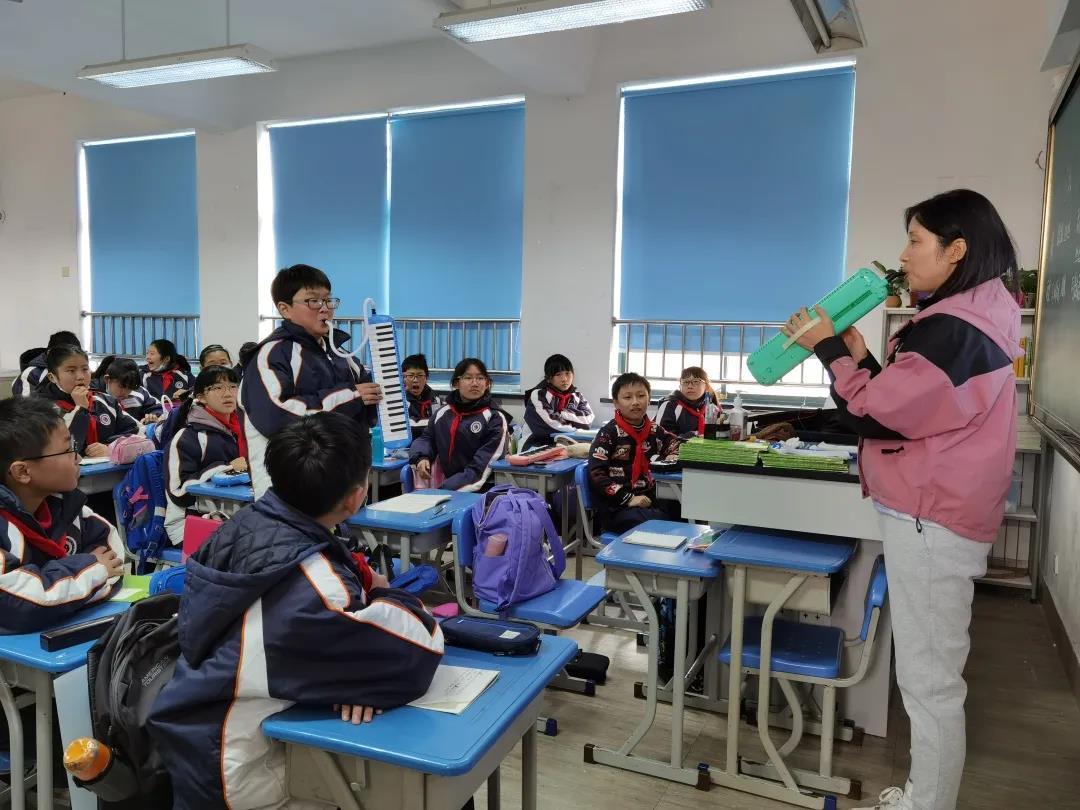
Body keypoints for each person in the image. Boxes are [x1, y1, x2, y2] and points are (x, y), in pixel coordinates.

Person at [781, 189, 1021, 810]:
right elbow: (916, 403)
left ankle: (925, 803)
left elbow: (877, 414)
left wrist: (828, 349)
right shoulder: (974, 315)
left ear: (956, 250)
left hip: (932, 520)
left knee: (930, 682)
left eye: (916, 241)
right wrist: (858, 356)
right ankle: (922, 794)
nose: (904, 255)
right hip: (937, 513)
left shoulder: (954, 329)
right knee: (929, 674)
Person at [147, 412, 443, 810]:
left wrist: (354, 673)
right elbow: (420, 645)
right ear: (356, 496)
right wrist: (382, 602)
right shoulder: (315, 586)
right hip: (242, 768)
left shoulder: (248, 523)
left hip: (199, 735)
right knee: (417, 784)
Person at [240, 264, 382, 497]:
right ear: (285, 309)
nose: (324, 308)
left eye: (328, 300)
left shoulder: (340, 354)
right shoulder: (272, 354)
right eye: (313, 301)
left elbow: (368, 398)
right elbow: (277, 417)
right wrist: (352, 397)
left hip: (340, 479)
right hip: (290, 486)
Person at [0, 397, 125, 633]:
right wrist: (92, 570)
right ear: (23, 471)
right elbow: (15, 607)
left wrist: (61, 593)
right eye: (68, 450)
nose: (78, 458)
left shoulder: (65, 506)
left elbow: (114, 560)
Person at [163, 367, 247, 546]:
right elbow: (179, 493)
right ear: (201, 397)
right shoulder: (188, 437)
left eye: (233, 386)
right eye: (218, 388)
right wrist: (227, 467)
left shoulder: (240, 430)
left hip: (231, 514)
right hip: (189, 524)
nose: (228, 394)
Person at [587, 372, 681, 534]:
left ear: (649, 399)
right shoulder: (608, 434)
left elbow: (675, 443)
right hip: (618, 506)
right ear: (616, 403)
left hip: (649, 498)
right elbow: (596, 473)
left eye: (641, 396)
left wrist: (674, 454)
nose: (635, 402)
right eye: (627, 397)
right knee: (661, 522)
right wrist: (629, 498)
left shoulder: (653, 429)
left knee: (685, 510)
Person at [409, 358, 508, 492]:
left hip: (482, 491)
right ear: (456, 383)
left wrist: (443, 490)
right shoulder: (443, 413)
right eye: (468, 378)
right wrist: (422, 457)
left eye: (480, 378)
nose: (475, 383)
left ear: (487, 384)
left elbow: (480, 469)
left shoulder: (495, 419)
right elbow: (426, 438)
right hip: (450, 487)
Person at [37, 345, 138, 457]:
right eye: (71, 371)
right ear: (52, 377)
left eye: (85, 369)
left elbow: (136, 431)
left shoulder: (106, 401)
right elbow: (64, 449)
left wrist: (110, 447)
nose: (80, 376)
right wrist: (80, 409)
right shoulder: (41, 410)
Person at [522, 353, 594, 450]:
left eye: (567, 373)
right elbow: (550, 425)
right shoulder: (538, 395)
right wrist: (576, 426)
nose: (564, 379)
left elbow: (588, 420)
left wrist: (562, 414)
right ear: (548, 378)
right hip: (535, 444)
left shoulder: (577, 396)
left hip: (566, 445)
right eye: (558, 374)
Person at [91, 355, 163, 424]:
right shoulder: (93, 393)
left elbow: (158, 408)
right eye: (121, 387)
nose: (125, 393)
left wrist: (152, 416)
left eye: (130, 388)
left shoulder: (140, 392)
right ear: (107, 379)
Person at [12, 330, 82, 398]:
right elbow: (27, 404)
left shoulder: (82, 372)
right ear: (49, 353)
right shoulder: (31, 374)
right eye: (63, 355)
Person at [654, 366, 719, 438]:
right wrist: (691, 437)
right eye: (685, 382)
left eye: (696, 381)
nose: (690, 386)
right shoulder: (669, 406)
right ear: (680, 386)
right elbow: (660, 438)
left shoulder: (713, 408)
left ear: (706, 387)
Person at [402, 353, 444, 431]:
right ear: (403, 378)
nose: (415, 380)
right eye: (411, 376)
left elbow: (440, 422)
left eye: (420, 375)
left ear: (426, 378)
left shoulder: (435, 399)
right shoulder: (399, 400)